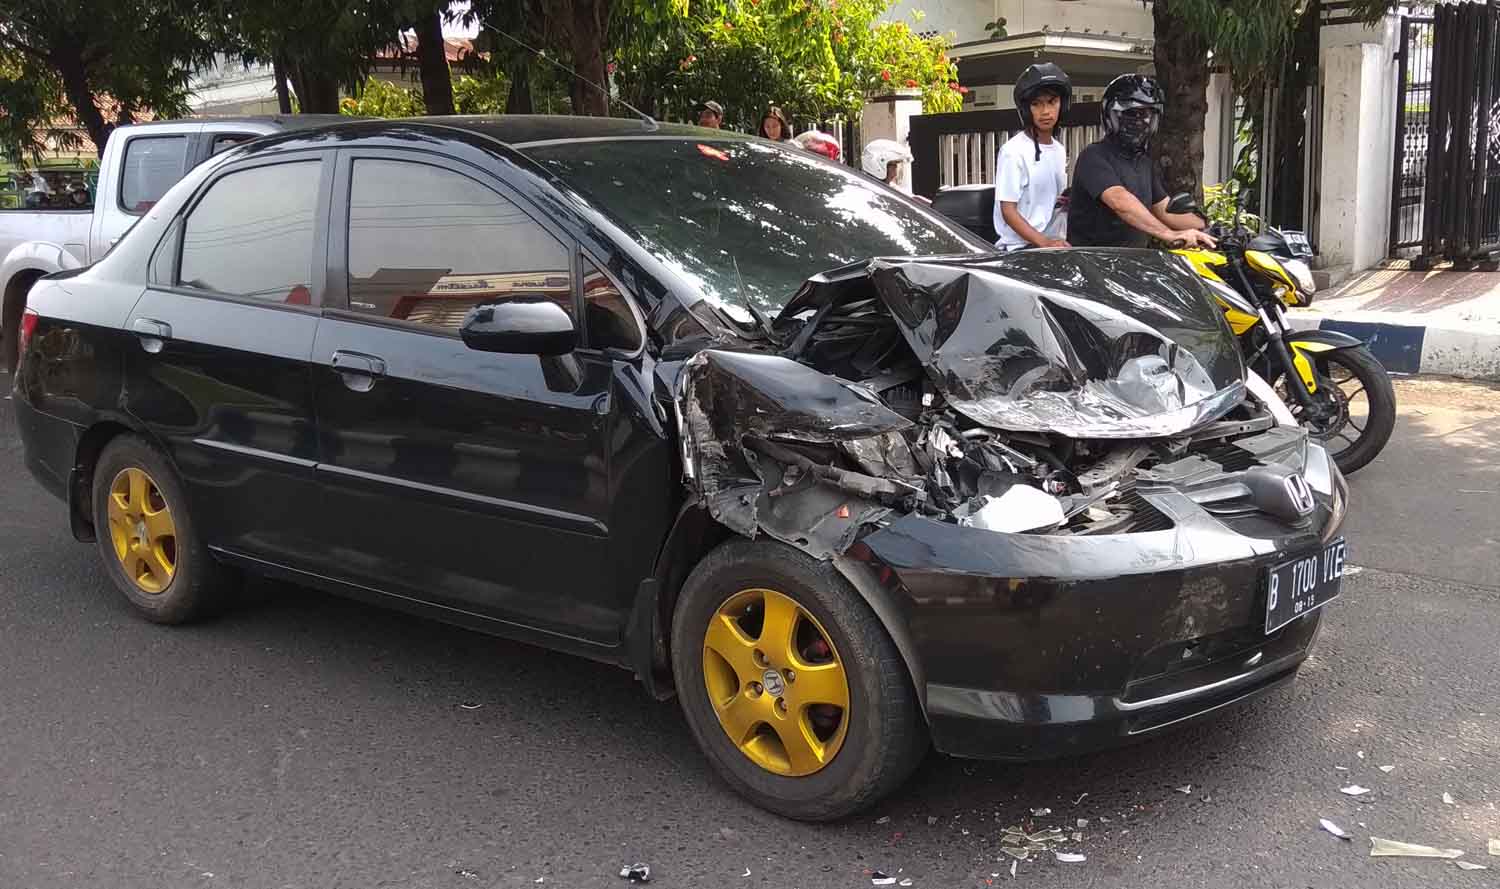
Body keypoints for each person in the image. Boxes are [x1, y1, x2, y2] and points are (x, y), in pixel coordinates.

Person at [1068, 74, 1215, 249]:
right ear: (1112, 115)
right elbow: (1119, 201)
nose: (1140, 121)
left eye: (1146, 114)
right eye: (1132, 113)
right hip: (1093, 264)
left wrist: (1211, 228)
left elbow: (1165, 210)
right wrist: (1169, 234)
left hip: (1134, 265)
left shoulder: (1143, 163)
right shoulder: (1094, 157)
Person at [993, 62, 1072, 250]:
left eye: (1052, 102)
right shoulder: (1013, 151)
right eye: (1036, 104)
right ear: (1026, 110)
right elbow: (1008, 211)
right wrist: (1044, 243)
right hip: (1018, 249)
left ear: (1063, 104)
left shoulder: (1059, 150)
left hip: (1052, 246)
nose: (1046, 111)